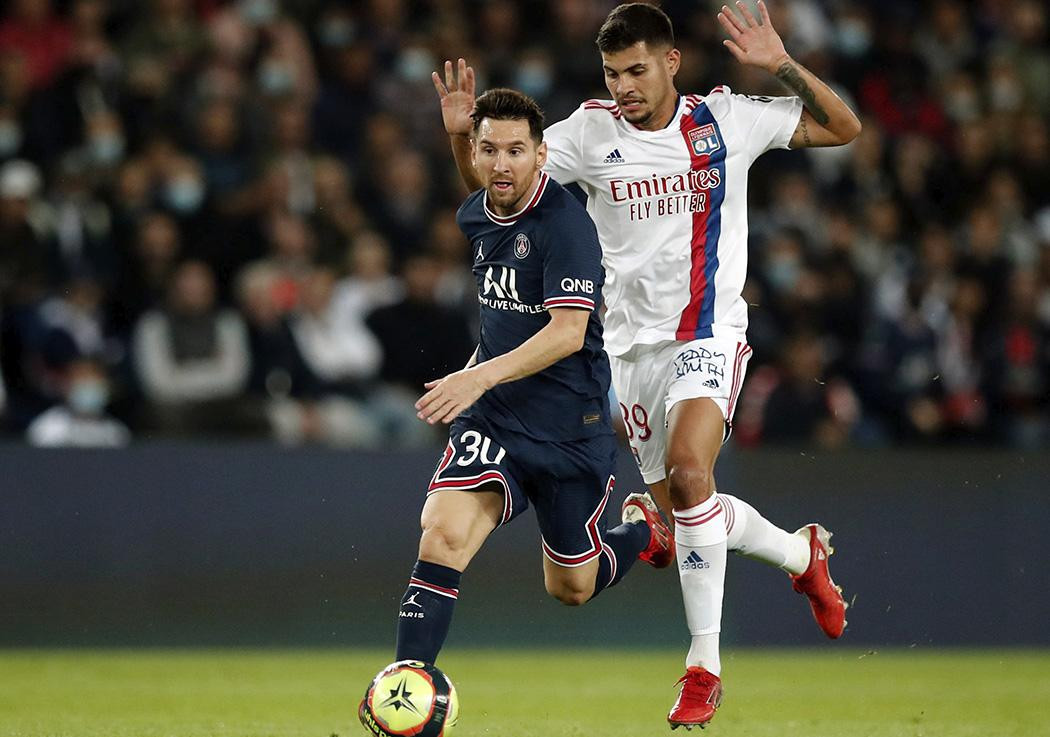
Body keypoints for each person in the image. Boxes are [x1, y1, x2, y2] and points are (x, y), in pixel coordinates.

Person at [432, 2, 860, 729]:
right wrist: (458, 139)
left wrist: (781, 65)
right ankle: (801, 551)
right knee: (687, 513)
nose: (625, 85)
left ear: (671, 63)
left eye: (637, 69)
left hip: (707, 332)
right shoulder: (589, 133)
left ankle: (703, 667)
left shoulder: (727, 120)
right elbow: (491, 201)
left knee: (693, 475)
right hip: (623, 355)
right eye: (612, 72)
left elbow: (844, 127)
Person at [380, 89, 674, 683]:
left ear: (543, 155)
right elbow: (488, 190)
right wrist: (457, 136)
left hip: (570, 429)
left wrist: (476, 374)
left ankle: (644, 528)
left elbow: (568, 334)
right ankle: (408, 684)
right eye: (489, 150)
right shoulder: (480, 210)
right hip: (495, 419)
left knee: (570, 587)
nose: (500, 164)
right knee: (442, 535)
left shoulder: (567, 229)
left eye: (517, 151)